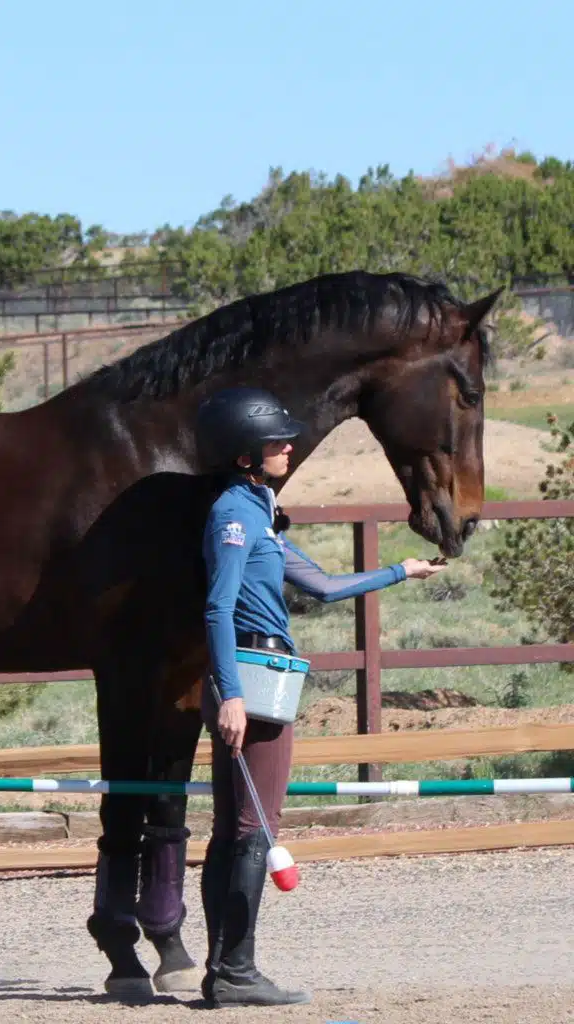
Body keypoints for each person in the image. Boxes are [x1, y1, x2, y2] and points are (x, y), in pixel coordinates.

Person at [194, 385, 447, 1008]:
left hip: (255, 676)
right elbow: (218, 608)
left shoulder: (257, 509)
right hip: (253, 678)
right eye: (276, 441)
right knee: (253, 829)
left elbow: (325, 586)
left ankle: (223, 970)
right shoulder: (234, 515)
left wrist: (402, 571)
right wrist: (232, 696)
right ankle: (236, 972)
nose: (289, 446)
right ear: (245, 455)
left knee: (236, 830)